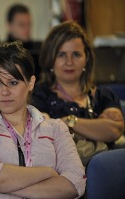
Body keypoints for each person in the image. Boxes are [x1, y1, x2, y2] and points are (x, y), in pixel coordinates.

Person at [0, 41, 86, 198]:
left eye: (13, 82)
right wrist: (48, 173)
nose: (4, 92)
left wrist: (3, 179)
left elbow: (75, 184)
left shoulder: (56, 128)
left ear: (31, 83)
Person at [31, 21, 124, 165]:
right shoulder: (37, 96)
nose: (69, 62)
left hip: (104, 175)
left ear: (86, 58)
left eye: (76, 54)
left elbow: (113, 130)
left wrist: (69, 121)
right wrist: (96, 126)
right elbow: (44, 137)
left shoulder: (103, 95)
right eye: (61, 55)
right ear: (50, 59)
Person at [5, 3, 42, 81]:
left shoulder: (41, 49)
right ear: (9, 26)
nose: (27, 28)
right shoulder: (1, 52)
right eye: (22, 25)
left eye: (29, 24)